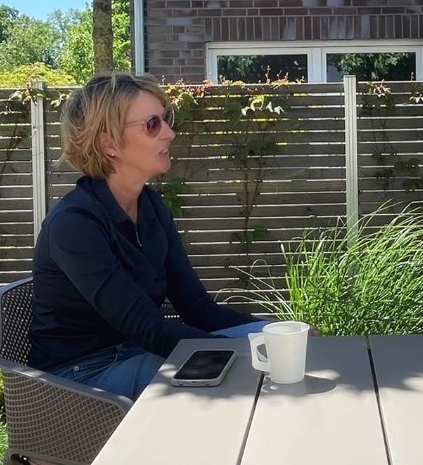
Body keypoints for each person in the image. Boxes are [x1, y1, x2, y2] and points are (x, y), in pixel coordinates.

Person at [28, 73, 271, 400]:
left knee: (282, 346)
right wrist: (242, 353)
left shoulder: (151, 207)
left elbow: (198, 308)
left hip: (139, 351)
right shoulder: (74, 225)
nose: (170, 133)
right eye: (152, 124)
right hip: (80, 374)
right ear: (108, 144)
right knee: (236, 377)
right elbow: (146, 327)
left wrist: (272, 333)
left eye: (166, 119)